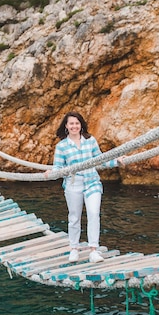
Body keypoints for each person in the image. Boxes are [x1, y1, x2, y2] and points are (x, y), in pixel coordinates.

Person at [49, 111, 124, 263]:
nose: (74, 126)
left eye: (77, 123)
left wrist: (116, 161)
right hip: (73, 184)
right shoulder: (62, 146)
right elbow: (58, 167)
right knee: (74, 217)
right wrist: (50, 173)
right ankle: (74, 249)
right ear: (66, 126)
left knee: (93, 213)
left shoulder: (90, 141)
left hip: (92, 182)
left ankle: (93, 250)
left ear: (81, 125)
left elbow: (99, 160)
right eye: (71, 123)